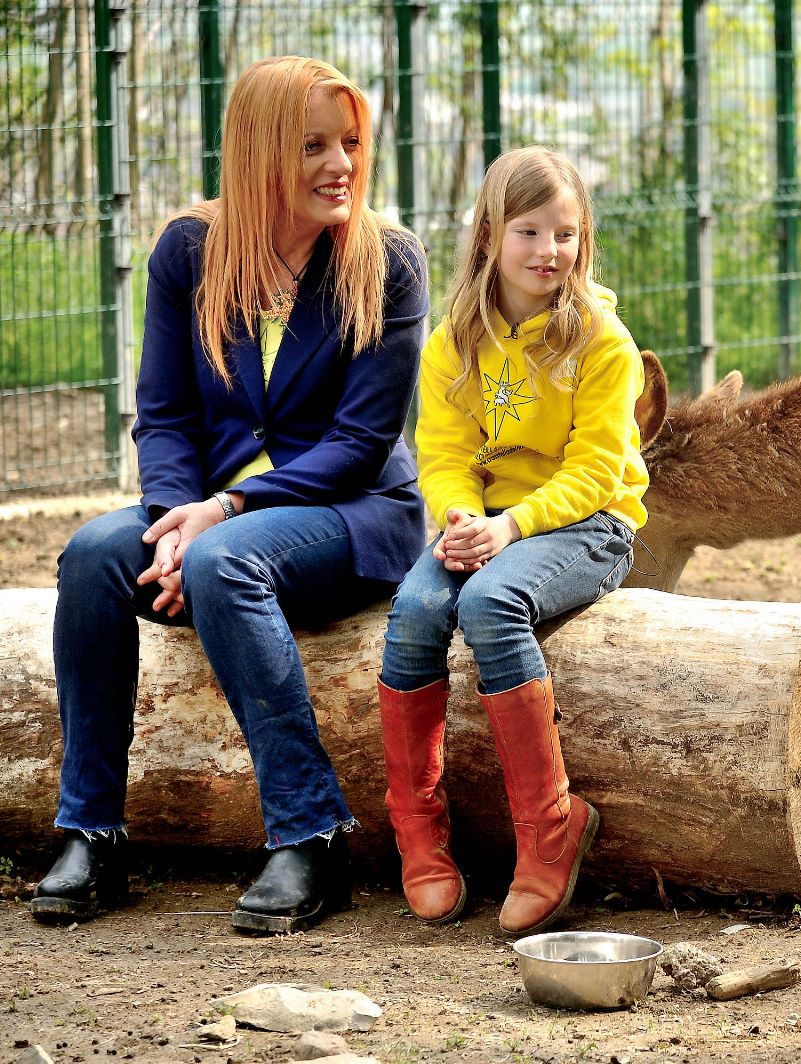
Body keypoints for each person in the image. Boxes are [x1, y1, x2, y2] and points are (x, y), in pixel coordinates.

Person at [30, 56, 428, 935]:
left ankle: (310, 836)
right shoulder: (188, 252)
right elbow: (164, 413)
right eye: (314, 146)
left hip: (352, 517)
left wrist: (224, 514)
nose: (342, 166)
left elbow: (361, 445)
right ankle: (92, 831)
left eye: (351, 144)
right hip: (207, 518)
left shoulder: (388, 261)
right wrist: (176, 519)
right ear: (257, 153)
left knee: (223, 557)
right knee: (94, 553)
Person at [378, 146, 646, 935]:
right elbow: (445, 453)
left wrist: (507, 530)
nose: (548, 252)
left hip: (588, 527)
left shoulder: (601, 342)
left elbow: (598, 471)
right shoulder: (452, 341)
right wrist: (462, 518)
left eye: (565, 234)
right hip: (488, 524)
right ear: (490, 235)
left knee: (493, 603)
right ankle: (418, 836)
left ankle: (549, 827)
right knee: (417, 609)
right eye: (529, 232)